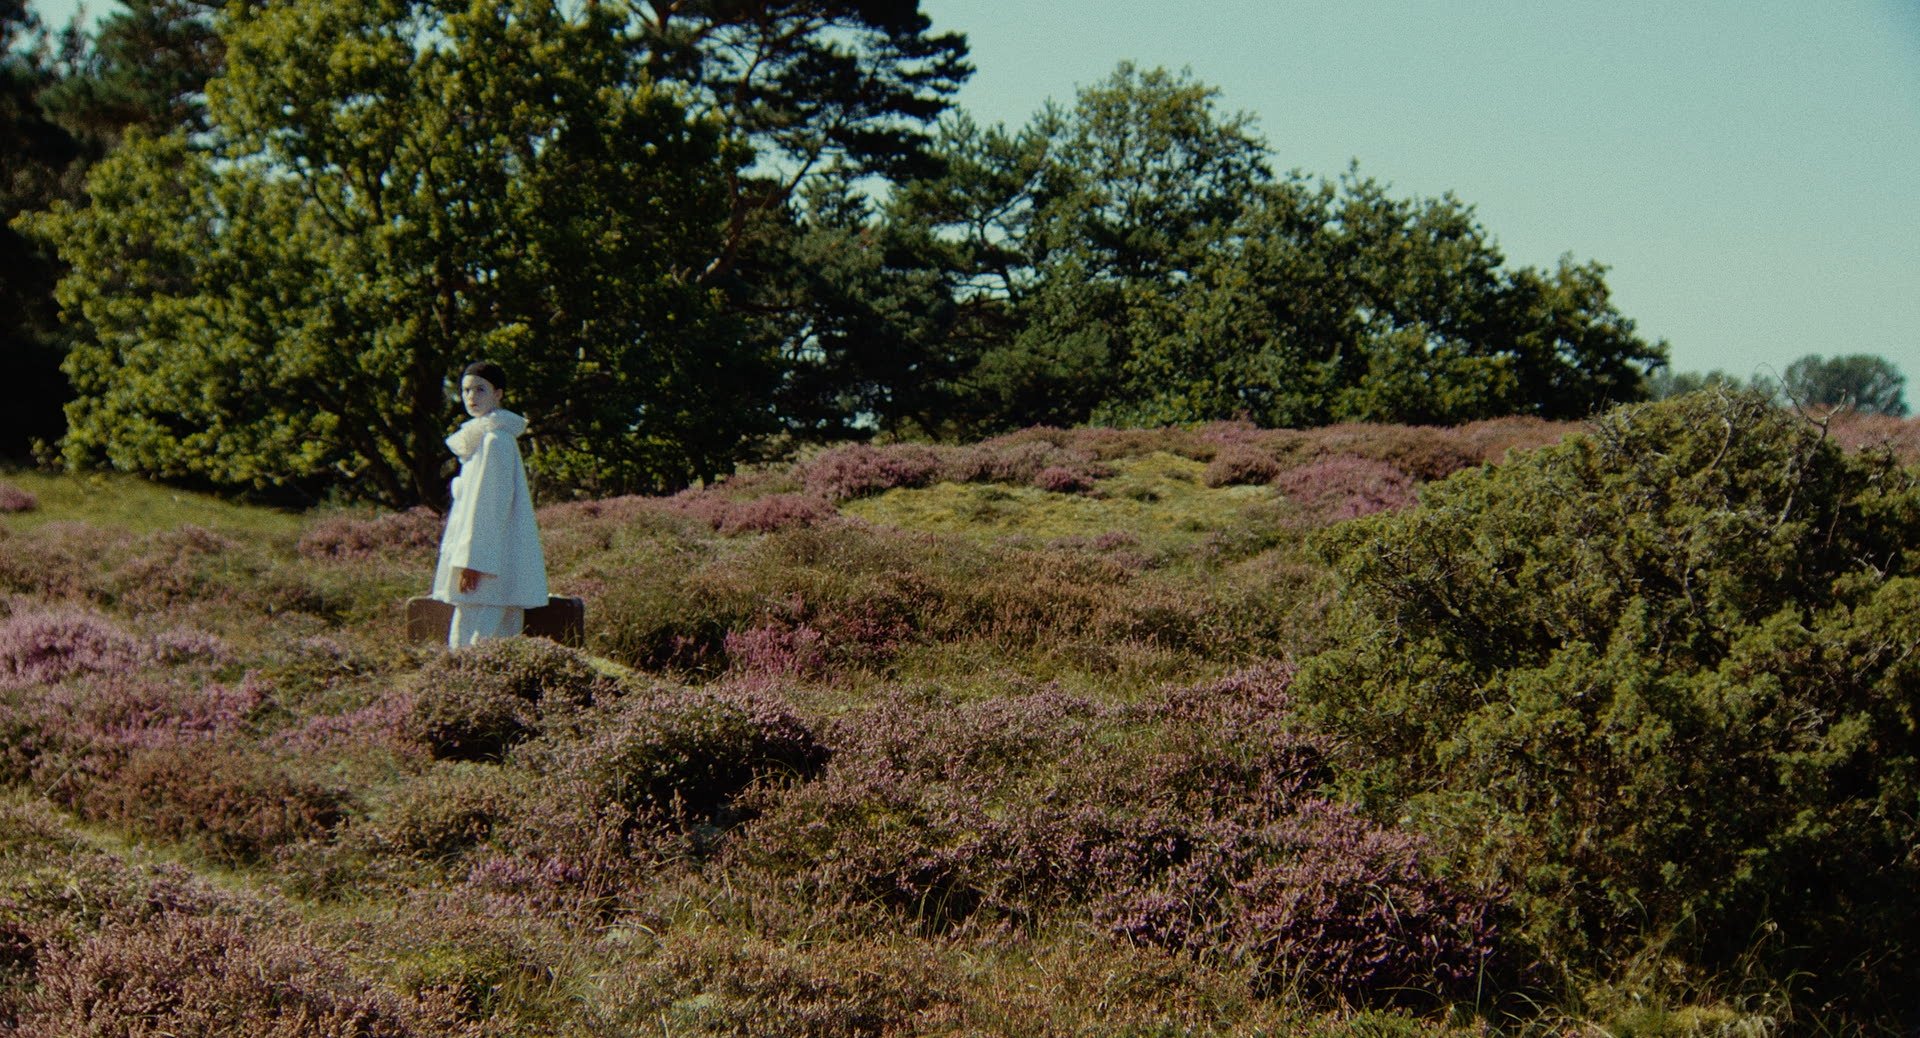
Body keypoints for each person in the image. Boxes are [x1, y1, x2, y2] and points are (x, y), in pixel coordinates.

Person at [430, 361, 548, 648]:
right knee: (492, 639)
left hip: (487, 566)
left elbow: (490, 510)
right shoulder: (483, 438)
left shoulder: (495, 441)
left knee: (474, 639)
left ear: (498, 394)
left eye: (480, 390)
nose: (471, 397)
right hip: (492, 561)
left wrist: (472, 564)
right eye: (466, 390)